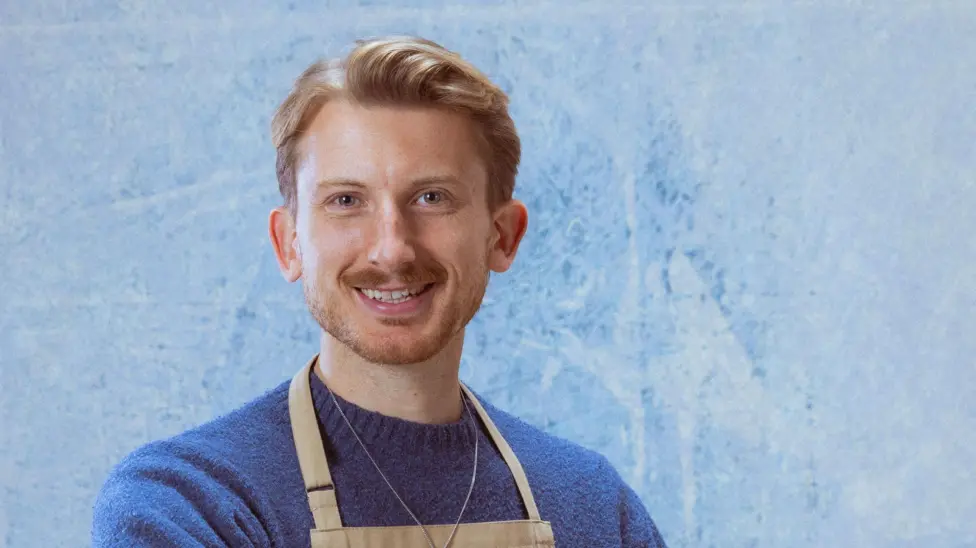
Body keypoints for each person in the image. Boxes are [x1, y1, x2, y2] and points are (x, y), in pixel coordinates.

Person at [92, 35, 668, 547]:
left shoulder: (591, 508)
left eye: (432, 198)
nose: (392, 250)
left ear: (502, 236)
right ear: (289, 243)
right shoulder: (191, 504)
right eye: (346, 201)